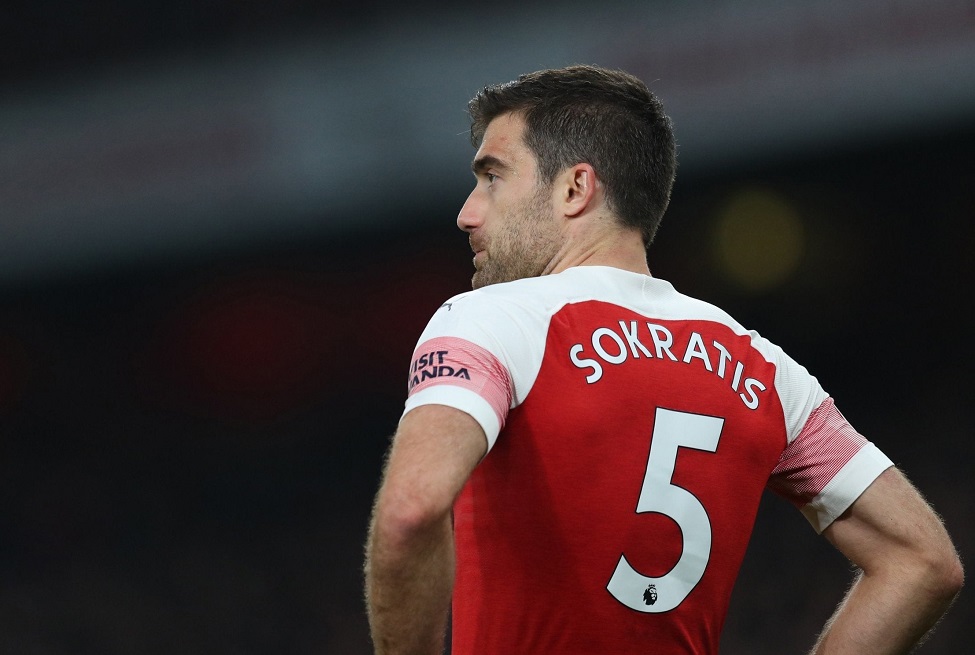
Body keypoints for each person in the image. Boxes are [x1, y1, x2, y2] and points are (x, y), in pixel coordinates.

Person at [363, 65, 963, 654]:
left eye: (492, 177)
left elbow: (411, 511)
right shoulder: (766, 370)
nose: (468, 212)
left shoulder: (493, 321)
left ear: (575, 189)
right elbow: (923, 561)